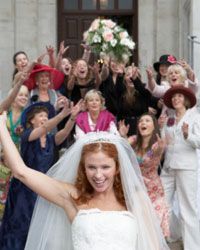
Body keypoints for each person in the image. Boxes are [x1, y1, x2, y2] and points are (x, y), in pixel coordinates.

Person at [0, 116, 170, 250]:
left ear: (117, 168)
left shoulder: (135, 199)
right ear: (83, 168)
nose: (98, 175)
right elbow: (21, 172)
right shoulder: (72, 196)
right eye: (91, 167)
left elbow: (153, 246)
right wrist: (1, 126)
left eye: (105, 167)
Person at [0, 100, 81, 250]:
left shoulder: (51, 139)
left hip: (44, 189)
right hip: (24, 191)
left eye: (46, 116)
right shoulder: (27, 136)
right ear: (32, 120)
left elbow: (63, 133)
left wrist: (72, 118)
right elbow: (45, 127)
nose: (45, 118)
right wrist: (62, 114)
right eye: (41, 116)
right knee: (20, 226)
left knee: (39, 225)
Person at [160, 86, 200, 250]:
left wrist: (187, 136)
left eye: (179, 96)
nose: (176, 99)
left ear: (186, 100)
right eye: (174, 97)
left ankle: (193, 247)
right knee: (161, 203)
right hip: (168, 167)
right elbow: (164, 143)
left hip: (186, 167)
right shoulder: (169, 118)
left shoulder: (195, 117)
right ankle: (166, 237)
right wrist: (160, 127)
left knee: (187, 209)